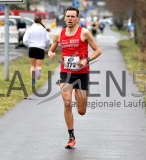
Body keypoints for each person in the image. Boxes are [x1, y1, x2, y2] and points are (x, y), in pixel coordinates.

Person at [48, 6, 102, 149]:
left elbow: (98, 50)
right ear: (64, 18)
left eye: (73, 16)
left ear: (77, 18)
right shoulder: (59, 35)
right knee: (67, 102)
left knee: (81, 111)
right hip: (66, 73)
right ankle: (71, 137)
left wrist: (87, 60)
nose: (70, 19)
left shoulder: (84, 33)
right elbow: (51, 50)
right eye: (68, 16)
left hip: (82, 74)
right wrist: (51, 54)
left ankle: (79, 105)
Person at [23, 16, 50, 86]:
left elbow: (25, 40)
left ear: (34, 20)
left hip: (32, 48)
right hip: (40, 48)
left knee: (32, 66)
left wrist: (28, 45)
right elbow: (47, 40)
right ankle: (38, 71)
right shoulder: (43, 29)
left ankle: (33, 80)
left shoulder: (30, 28)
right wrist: (45, 46)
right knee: (39, 65)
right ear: (41, 20)